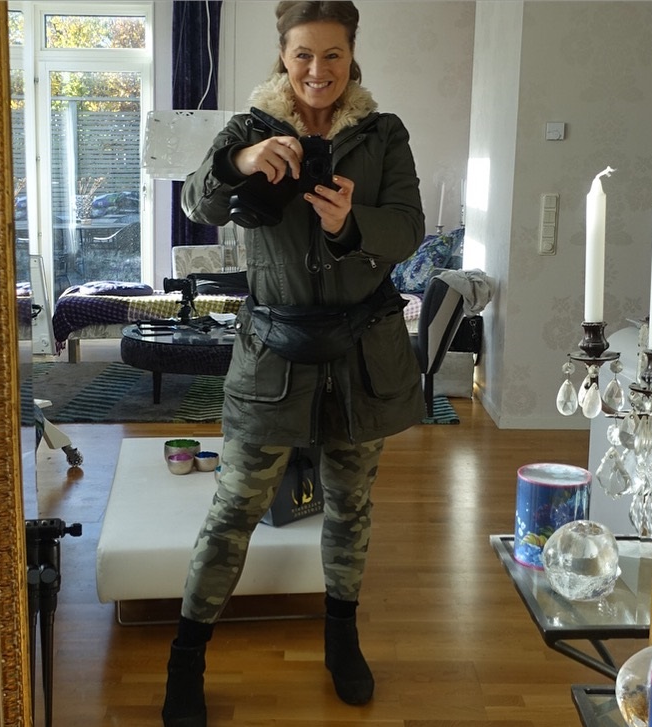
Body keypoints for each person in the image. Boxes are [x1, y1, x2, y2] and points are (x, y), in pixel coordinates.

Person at [162, 2, 425, 725]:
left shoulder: (383, 134)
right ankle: (186, 657)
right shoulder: (248, 128)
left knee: (350, 505)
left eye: (332, 54)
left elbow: (408, 226)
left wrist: (352, 224)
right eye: (303, 53)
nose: (317, 70)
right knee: (233, 510)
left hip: (360, 354)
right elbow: (196, 202)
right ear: (283, 54)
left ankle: (341, 637)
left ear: (351, 55)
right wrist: (240, 162)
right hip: (271, 353)